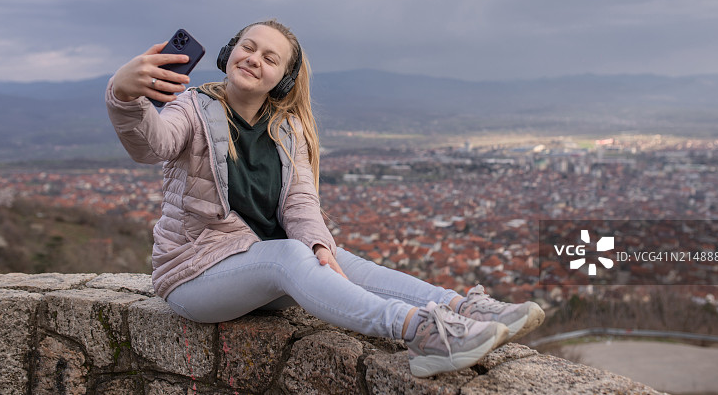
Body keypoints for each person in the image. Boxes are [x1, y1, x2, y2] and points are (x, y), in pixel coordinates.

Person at [106, 19, 545, 378]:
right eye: (248, 47)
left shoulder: (286, 129)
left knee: (335, 258)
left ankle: (463, 308)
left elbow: (300, 204)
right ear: (228, 53)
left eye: (269, 58)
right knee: (288, 257)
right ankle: (422, 333)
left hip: (257, 268)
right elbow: (153, 145)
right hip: (193, 275)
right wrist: (124, 93)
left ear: (283, 78)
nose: (254, 59)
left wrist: (319, 245)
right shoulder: (191, 107)